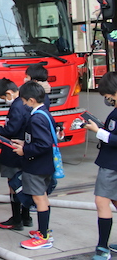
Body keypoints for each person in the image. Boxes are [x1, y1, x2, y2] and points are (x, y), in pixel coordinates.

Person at [11, 81, 55, 250]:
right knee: (43, 197)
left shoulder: (36, 118)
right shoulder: (44, 113)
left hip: (36, 166)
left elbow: (43, 144)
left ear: (31, 100)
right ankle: (44, 231)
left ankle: (43, 237)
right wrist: (24, 142)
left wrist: (25, 150)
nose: (22, 104)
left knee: (39, 199)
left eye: (23, 101)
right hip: (45, 165)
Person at [82, 72, 117, 260]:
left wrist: (98, 132)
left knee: (102, 201)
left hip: (111, 165)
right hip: (111, 163)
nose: (106, 98)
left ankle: (102, 248)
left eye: (106, 94)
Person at [0, 78, 33, 232]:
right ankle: (26, 216)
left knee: (14, 185)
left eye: (4, 98)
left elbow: (11, 130)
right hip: (26, 149)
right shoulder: (27, 103)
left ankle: (16, 219)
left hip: (14, 151)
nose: (5, 101)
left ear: (9, 93)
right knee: (25, 184)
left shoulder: (16, 106)